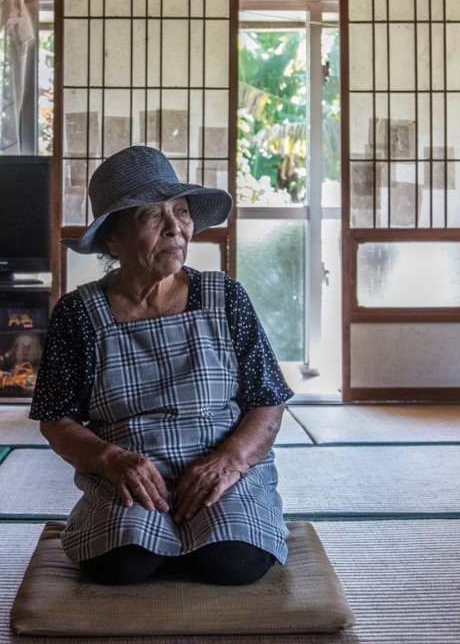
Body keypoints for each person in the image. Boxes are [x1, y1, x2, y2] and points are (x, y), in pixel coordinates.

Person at [30, 145, 294, 587]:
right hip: (130, 473)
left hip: (217, 467)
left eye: (182, 212)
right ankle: (166, 538)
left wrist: (230, 460)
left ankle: (199, 533)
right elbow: (56, 419)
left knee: (235, 563)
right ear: (112, 239)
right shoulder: (78, 313)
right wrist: (111, 460)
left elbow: (267, 400)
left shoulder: (226, 297)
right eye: (151, 216)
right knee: (121, 566)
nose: (176, 229)